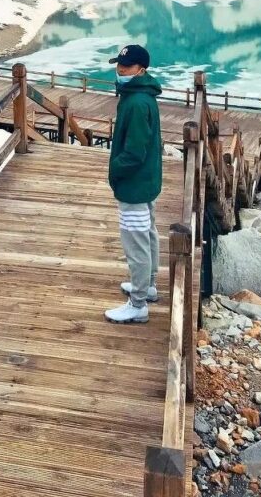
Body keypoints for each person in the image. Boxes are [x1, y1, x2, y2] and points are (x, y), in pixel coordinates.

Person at [104, 43, 162, 324]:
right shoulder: (141, 95)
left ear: (141, 69)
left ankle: (138, 304)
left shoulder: (137, 102)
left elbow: (135, 152)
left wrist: (115, 171)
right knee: (148, 232)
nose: (120, 70)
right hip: (145, 182)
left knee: (135, 241)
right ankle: (148, 286)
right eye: (119, 65)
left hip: (134, 185)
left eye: (126, 67)